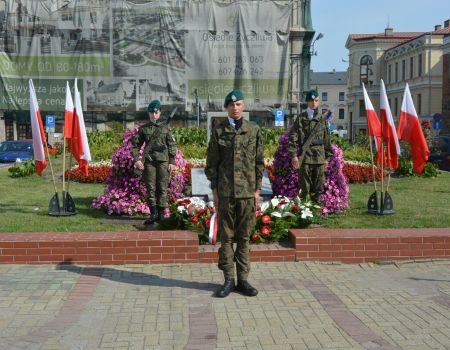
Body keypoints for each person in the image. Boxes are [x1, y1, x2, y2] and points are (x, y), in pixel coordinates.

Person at [205, 90, 264, 298]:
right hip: (226, 193)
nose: (235, 108)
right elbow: (211, 164)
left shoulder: (253, 130)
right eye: (231, 105)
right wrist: (215, 191)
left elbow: (259, 163)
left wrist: (257, 190)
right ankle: (229, 279)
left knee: (244, 237)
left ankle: (244, 280)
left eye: (238, 104)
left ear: (244, 105)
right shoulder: (219, 131)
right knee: (227, 238)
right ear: (226, 108)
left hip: (247, 193)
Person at [132, 100, 177, 225]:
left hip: (163, 161)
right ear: (149, 113)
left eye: (156, 112)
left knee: (162, 187)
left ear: (160, 112)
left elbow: (172, 144)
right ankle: (153, 213)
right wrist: (137, 160)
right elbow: (135, 145)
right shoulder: (143, 129)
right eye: (151, 112)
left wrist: (172, 161)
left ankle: (162, 214)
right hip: (149, 162)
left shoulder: (166, 127)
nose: (153, 115)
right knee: (151, 188)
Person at [288, 89, 332, 203]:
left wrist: (327, 157)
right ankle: (305, 214)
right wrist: (293, 156)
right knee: (305, 188)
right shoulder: (301, 119)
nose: (314, 103)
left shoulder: (322, 119)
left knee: (318, 188)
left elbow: (326, 139)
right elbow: (293, 137)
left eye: (316, 100)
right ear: (307, 102)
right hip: (305, 157)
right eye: (312, 100)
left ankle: (315, 213)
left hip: (319, 157)